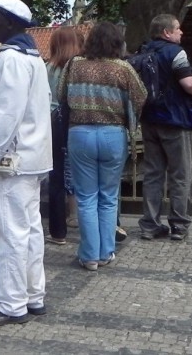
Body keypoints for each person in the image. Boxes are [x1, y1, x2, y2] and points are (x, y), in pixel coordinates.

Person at [0, 0, 52, 326]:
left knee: (8, 232)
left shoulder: (10, 58)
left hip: (12, 159)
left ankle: (10, 304)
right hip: (32, 157)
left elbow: (8, 112)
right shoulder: (32, 56)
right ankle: (33, 295)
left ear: (11, 24)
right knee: (29, 230)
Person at [59, 23, 146, 271]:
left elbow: (60, 93)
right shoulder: (123, 68)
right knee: (108, 197)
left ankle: (89, 257)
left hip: (80, 134)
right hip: (113, 135)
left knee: (86, 198)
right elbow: (141, 96)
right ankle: (106, 252)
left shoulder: (74, 65)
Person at [137, 14, 192, 242]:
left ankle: (150, 225)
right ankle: (179, 225)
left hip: (149, 121)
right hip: (174, 121)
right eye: (178, 29)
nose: (182, 32)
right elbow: (188, 83)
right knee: (180, 175)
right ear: (166, 32)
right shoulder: (175, 53)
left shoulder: (142, 52)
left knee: (152, 174)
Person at [45, 26, 85, 245]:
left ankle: (57, 232)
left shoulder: (46, 67)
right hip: (77, 121)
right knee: (84, 173)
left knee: (56, 177)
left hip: (52, 122)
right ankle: (85, 224)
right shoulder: (79, 67)